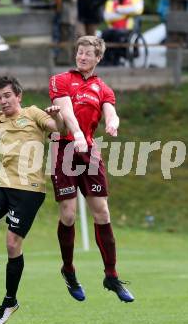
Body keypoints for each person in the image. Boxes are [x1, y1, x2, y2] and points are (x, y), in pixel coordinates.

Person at [0, 50, 67, 324]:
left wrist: (56, 117)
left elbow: (57, 128)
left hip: (30, 191)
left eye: (7, 95)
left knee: (12, 244)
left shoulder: (33, 113)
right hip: (4, 186)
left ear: (18, 96)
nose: (3, 101)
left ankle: (9, 301)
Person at [49, 35, 134, 303]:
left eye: (88, 54)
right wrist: (75, 134)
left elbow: (110, 111)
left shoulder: (103, 88)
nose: (82, 56)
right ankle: (69, 270)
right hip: (63, 148)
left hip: (89, 151)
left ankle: (111, 276)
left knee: (103, 212)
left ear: (98, 58)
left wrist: (113, 122)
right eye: (79, 52)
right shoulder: (60, 80)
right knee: (69, 215)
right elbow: (66, 112)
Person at [102, 0, 144, 66]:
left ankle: (116, 59)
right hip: (113, 30)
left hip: (129, 30)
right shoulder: (110, 2)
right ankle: (107, 60)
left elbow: (137, 10)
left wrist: (118, 10)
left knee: (118, 34)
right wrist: (126, 13)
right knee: (105, 34)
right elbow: (107, 17)